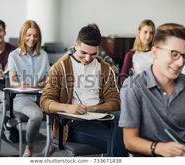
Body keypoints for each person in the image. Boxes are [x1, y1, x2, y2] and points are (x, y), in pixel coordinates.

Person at [40, 24, 127, 156]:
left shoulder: (105, 69)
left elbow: (115, 102)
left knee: (123, 118)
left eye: (93, 54)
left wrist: (92, 109)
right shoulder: (60, 68)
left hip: (103, 118)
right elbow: (45, 102)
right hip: (75, 124)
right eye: (83, 53)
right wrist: (68, 108)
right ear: (75, 45)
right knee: (121, 139)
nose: (87, 58)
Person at [119, 23, 185, 157]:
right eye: (175, 54)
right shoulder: (132, 87)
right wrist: (159, 148)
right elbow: (129, 141)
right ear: (155, 52)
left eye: (184, 56)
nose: (181, 62)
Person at [7, 20, 50, 157]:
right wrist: (19, 84)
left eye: (35, 35)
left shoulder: (43, 55)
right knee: (37, 115)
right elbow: (12, 79)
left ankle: (52, 145)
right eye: (28, 35)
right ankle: (30, 147)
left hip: (41, 96)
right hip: (21, 98)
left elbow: (48, 80)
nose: (32, 39)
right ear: (22, 35)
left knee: (63, 111)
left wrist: (36, 85)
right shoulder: (14, 55)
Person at [120, 19, 155, 86]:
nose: (148, 36)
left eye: (151, 33)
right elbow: (123, 78)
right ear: (139, 32)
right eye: (145, 32)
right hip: (137, 89)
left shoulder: (157, 53)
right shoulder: (130, 55)